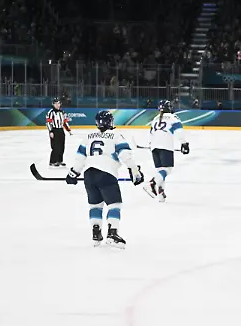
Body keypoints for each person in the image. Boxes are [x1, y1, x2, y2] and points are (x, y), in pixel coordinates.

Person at [65, 111, 144, 248]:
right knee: (115, 205)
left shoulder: (88, 137)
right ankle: (112, 234)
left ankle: (96, 234)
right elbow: (125, 155)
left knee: (95, 205)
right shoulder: (116, 135)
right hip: (106, 174)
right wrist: (135, 170)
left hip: (89, 175)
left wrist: (73, 173)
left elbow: (80, 158)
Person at [145, 100, 189, 202]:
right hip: (165, 146)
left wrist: (151, 145)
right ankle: (152, 183)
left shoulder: (155, 119)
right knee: (167, 169)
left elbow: (151, 134)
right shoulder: (173, 117)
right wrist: (184, 143)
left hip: (154, 147)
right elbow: (179, 131)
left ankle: (160, 193)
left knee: (160, 170)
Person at [46, 98, 72, 167]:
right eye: (56, 103)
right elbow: (48, 123)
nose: (58, 105)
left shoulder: (62, 112)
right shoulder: (51, 112)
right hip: (54, 130)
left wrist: (68, 130)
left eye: (58, 103)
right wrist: (51, 131)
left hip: (61, 130)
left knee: (62, 146)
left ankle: (60, 160)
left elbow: (64, 122)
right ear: (53, 104)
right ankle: (52, 161)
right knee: (55, 147)